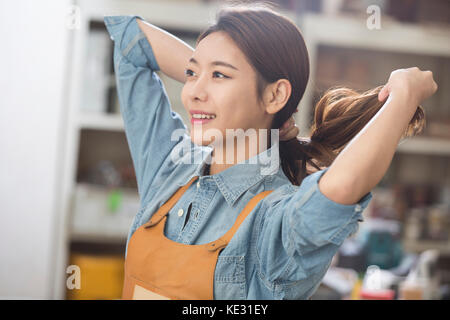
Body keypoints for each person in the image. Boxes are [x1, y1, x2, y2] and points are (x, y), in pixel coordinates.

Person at [103, 2, 437, 300]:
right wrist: (216, 76)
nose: (191, 93)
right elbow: (129, 40)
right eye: (190, 74)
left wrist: (404, 96)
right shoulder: (169, 169)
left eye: (220, 75)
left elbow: (343, 186)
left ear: (276, 95)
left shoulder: (275, 220)